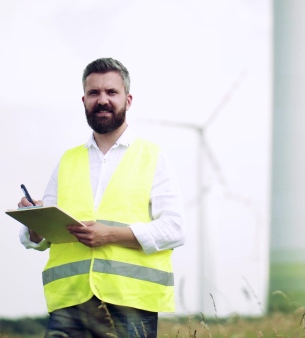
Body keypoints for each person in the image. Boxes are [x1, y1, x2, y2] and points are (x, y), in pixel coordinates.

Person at [17, 57, 186, 338]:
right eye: (94, 93)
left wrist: (111, 235)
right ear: (83, 100)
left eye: (111, 92)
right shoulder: (67, 161)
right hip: (70, 303)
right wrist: (34, 221)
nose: (102, 100)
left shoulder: (153, 157)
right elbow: (42, 238)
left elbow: (175, 229)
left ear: (128, 100)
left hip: (131, 302)